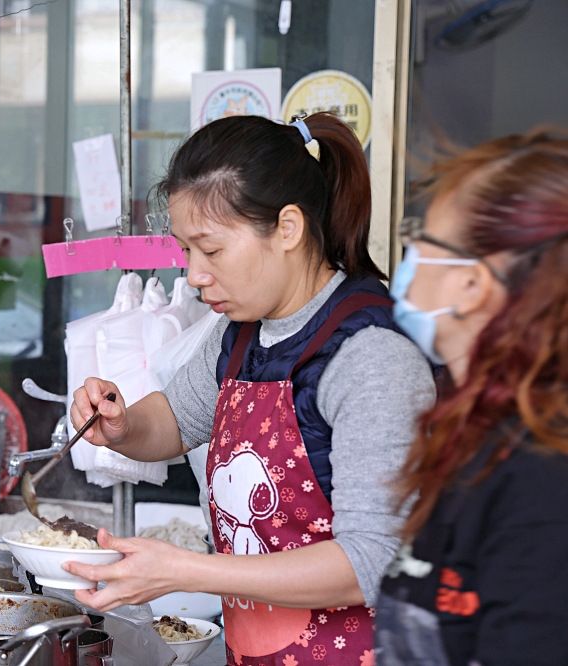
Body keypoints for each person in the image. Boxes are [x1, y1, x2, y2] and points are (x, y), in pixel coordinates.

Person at [65, 113, 436, 665]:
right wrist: (122, 426)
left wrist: (185, 571)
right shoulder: (238, 333)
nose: (193, 275)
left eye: (211, 251)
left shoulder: (371, 356)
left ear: (288, 228)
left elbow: (374, 560)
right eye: (186, 251)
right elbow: (174, 420)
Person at [377, 131, 568, 664]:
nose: (408, 257)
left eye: (421, 241)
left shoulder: (544, 479)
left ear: (471, 285)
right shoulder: (482, 435)